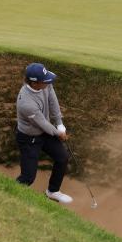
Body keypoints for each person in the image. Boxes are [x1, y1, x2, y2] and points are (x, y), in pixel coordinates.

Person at [15, 62, 73, 204]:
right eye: (45, 81)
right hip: (28, 138)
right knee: (28, 178)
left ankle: (52, 191)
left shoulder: (45, 84)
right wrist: (59, 134)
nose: (49, 82)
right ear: (34, 83)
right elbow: (43, 124)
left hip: (44, 132)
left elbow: (53, 101)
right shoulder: (26, 103)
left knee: (62, 157)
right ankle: (10, 195)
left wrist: (59, 123)